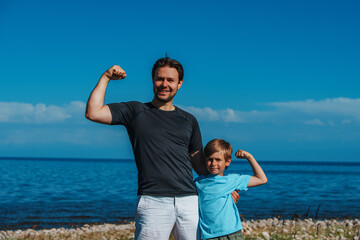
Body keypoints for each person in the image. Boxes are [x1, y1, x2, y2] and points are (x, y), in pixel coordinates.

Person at [86, 57, 238, 240]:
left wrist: (222, 187)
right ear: (153, 80)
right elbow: (93, 112)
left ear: (179, 84)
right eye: (160, 79)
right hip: (153, 201)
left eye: (170, 80)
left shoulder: (189, 120)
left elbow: (201, 166)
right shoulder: (135, 111)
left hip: (189, 201)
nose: (164, 84)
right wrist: (106, 77)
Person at [194, 139, 268, 240]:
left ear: (227, 162)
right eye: (210, 159)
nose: (213, 163)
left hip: (232, 234)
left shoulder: (232, 180)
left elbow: (261, 179)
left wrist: (249, 157)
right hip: (209, 236)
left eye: (218, 160)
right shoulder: (198, 182)